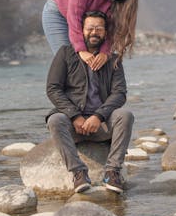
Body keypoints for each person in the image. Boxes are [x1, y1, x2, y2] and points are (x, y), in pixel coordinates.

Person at [45, 10, 134, 194]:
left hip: (102, 124)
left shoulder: (113, 59)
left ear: (105, 32)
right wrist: (74, 116)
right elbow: (53, 88)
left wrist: (98, 116)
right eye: (90, 28)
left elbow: (120, 93)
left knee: (125, 115)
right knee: (55, 120)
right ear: (81, 30)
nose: (94, 32)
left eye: (99, 29)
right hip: (73, 124)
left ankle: (112, 171)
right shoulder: (65, 54)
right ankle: (78, 173)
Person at [42, 0, 140, 69]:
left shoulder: (114, 1)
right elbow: (74, 15)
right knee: (68, 61)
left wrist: (104, 52)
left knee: (95, 63)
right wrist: (81, 50)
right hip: (58, 14)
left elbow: (110, 28)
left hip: (85, 24)